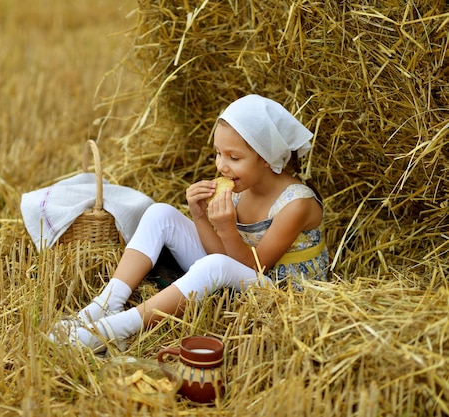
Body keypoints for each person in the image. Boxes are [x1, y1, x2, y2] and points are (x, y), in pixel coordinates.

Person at [49, 94, 330, 352]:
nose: (221, 166)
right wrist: (199, 216)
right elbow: (220, 256)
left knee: (214, 267)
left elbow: (253, 268)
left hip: (281, 292)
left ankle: (109, 330)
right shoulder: (239, 189)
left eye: (234, 157)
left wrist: (227, 229)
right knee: (161, 213)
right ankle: (104, 305)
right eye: (218, 153)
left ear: (268, 158)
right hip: (236, 275)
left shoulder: (296, 203)